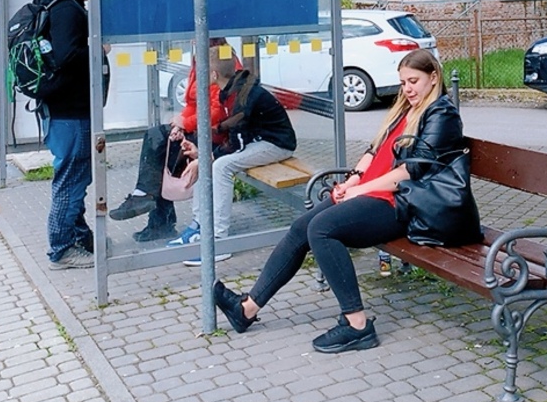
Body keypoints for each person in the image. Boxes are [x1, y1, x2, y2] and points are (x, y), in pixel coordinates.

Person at [213, 49, 464, 352]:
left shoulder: (441, 114)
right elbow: (374, 151)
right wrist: (353, 181)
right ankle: (247, 309)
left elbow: (411, 172)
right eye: (403, 82)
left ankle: (358, 325)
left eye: (414, 81)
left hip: (404, 204)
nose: (407, 89)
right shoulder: (404, 108)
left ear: (433, 77)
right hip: (373, 192)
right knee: (301, 227)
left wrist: (360, 190)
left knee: (322, 229)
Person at [170, 54, 297, 264]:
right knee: (209, 162)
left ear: (214, 74)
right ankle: (201, 225)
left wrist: (206, 158)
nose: (199, 76)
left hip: (277, 144)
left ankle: (220, 241)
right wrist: (204, 156)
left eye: (203, 71)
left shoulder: (241, 96)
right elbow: (233, 134)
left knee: (220, 166)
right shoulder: (231, 89)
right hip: (257, 141)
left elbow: (237, 141)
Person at [109, 56, 230, 242]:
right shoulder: (200, 58)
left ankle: (151, 206)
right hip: (198, 129)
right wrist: (179, 125)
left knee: (163, 148)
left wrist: (185, 124)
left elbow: (217, 111)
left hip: (214, 136)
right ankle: (151, 206)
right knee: (156, 137)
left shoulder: (219, 62)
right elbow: (193, 103)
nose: (192, 42)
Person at [37, 0, 104, 270]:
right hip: (70, 113)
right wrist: (98, 49)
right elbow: (67, 57)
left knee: (75, 177)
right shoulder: (67, 9)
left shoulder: (54, 3)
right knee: (71, 181)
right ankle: (62, 249)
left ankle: (79, 237)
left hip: (61, 111)